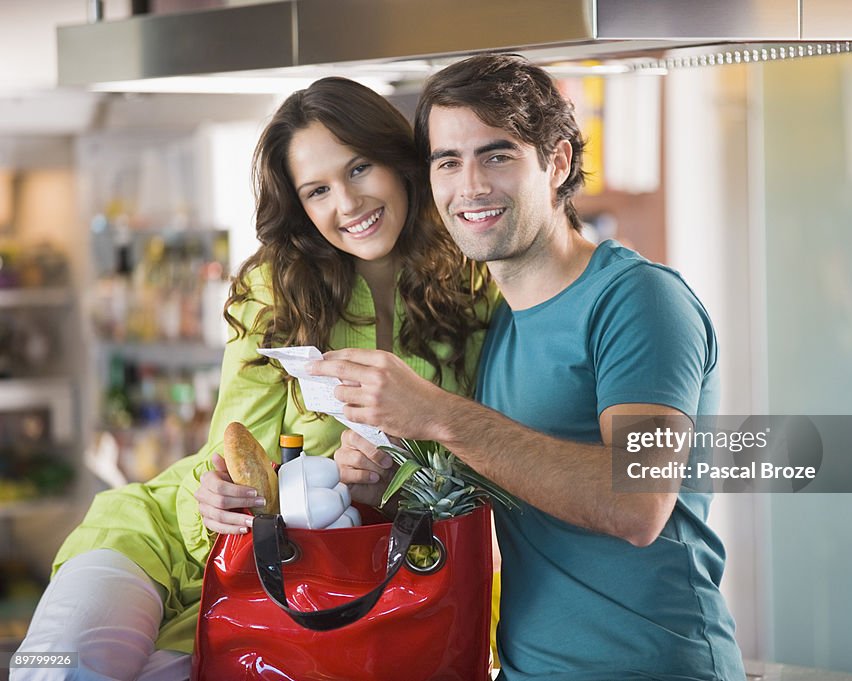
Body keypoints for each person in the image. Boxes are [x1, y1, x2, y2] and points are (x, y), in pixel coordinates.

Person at [14, 76, 493, 681]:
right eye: (317, 190)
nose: (347, 204)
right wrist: (216, 495)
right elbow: (236, 449)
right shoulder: (276, 288)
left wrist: (389, 483)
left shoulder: (478, 289)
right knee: (57, 668)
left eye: (359, 168)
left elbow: (488, 461)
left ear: (400, 162)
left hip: (313, 577)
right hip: (166, 537)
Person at [310, 54, 746, 680]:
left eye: (497, 156)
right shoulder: (499, 323)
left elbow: (638, 504)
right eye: (447, 162)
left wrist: (436, 414)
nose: (470, 187)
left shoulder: (638, 299)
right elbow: (517, 486)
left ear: (557, 162)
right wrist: (381, 483)